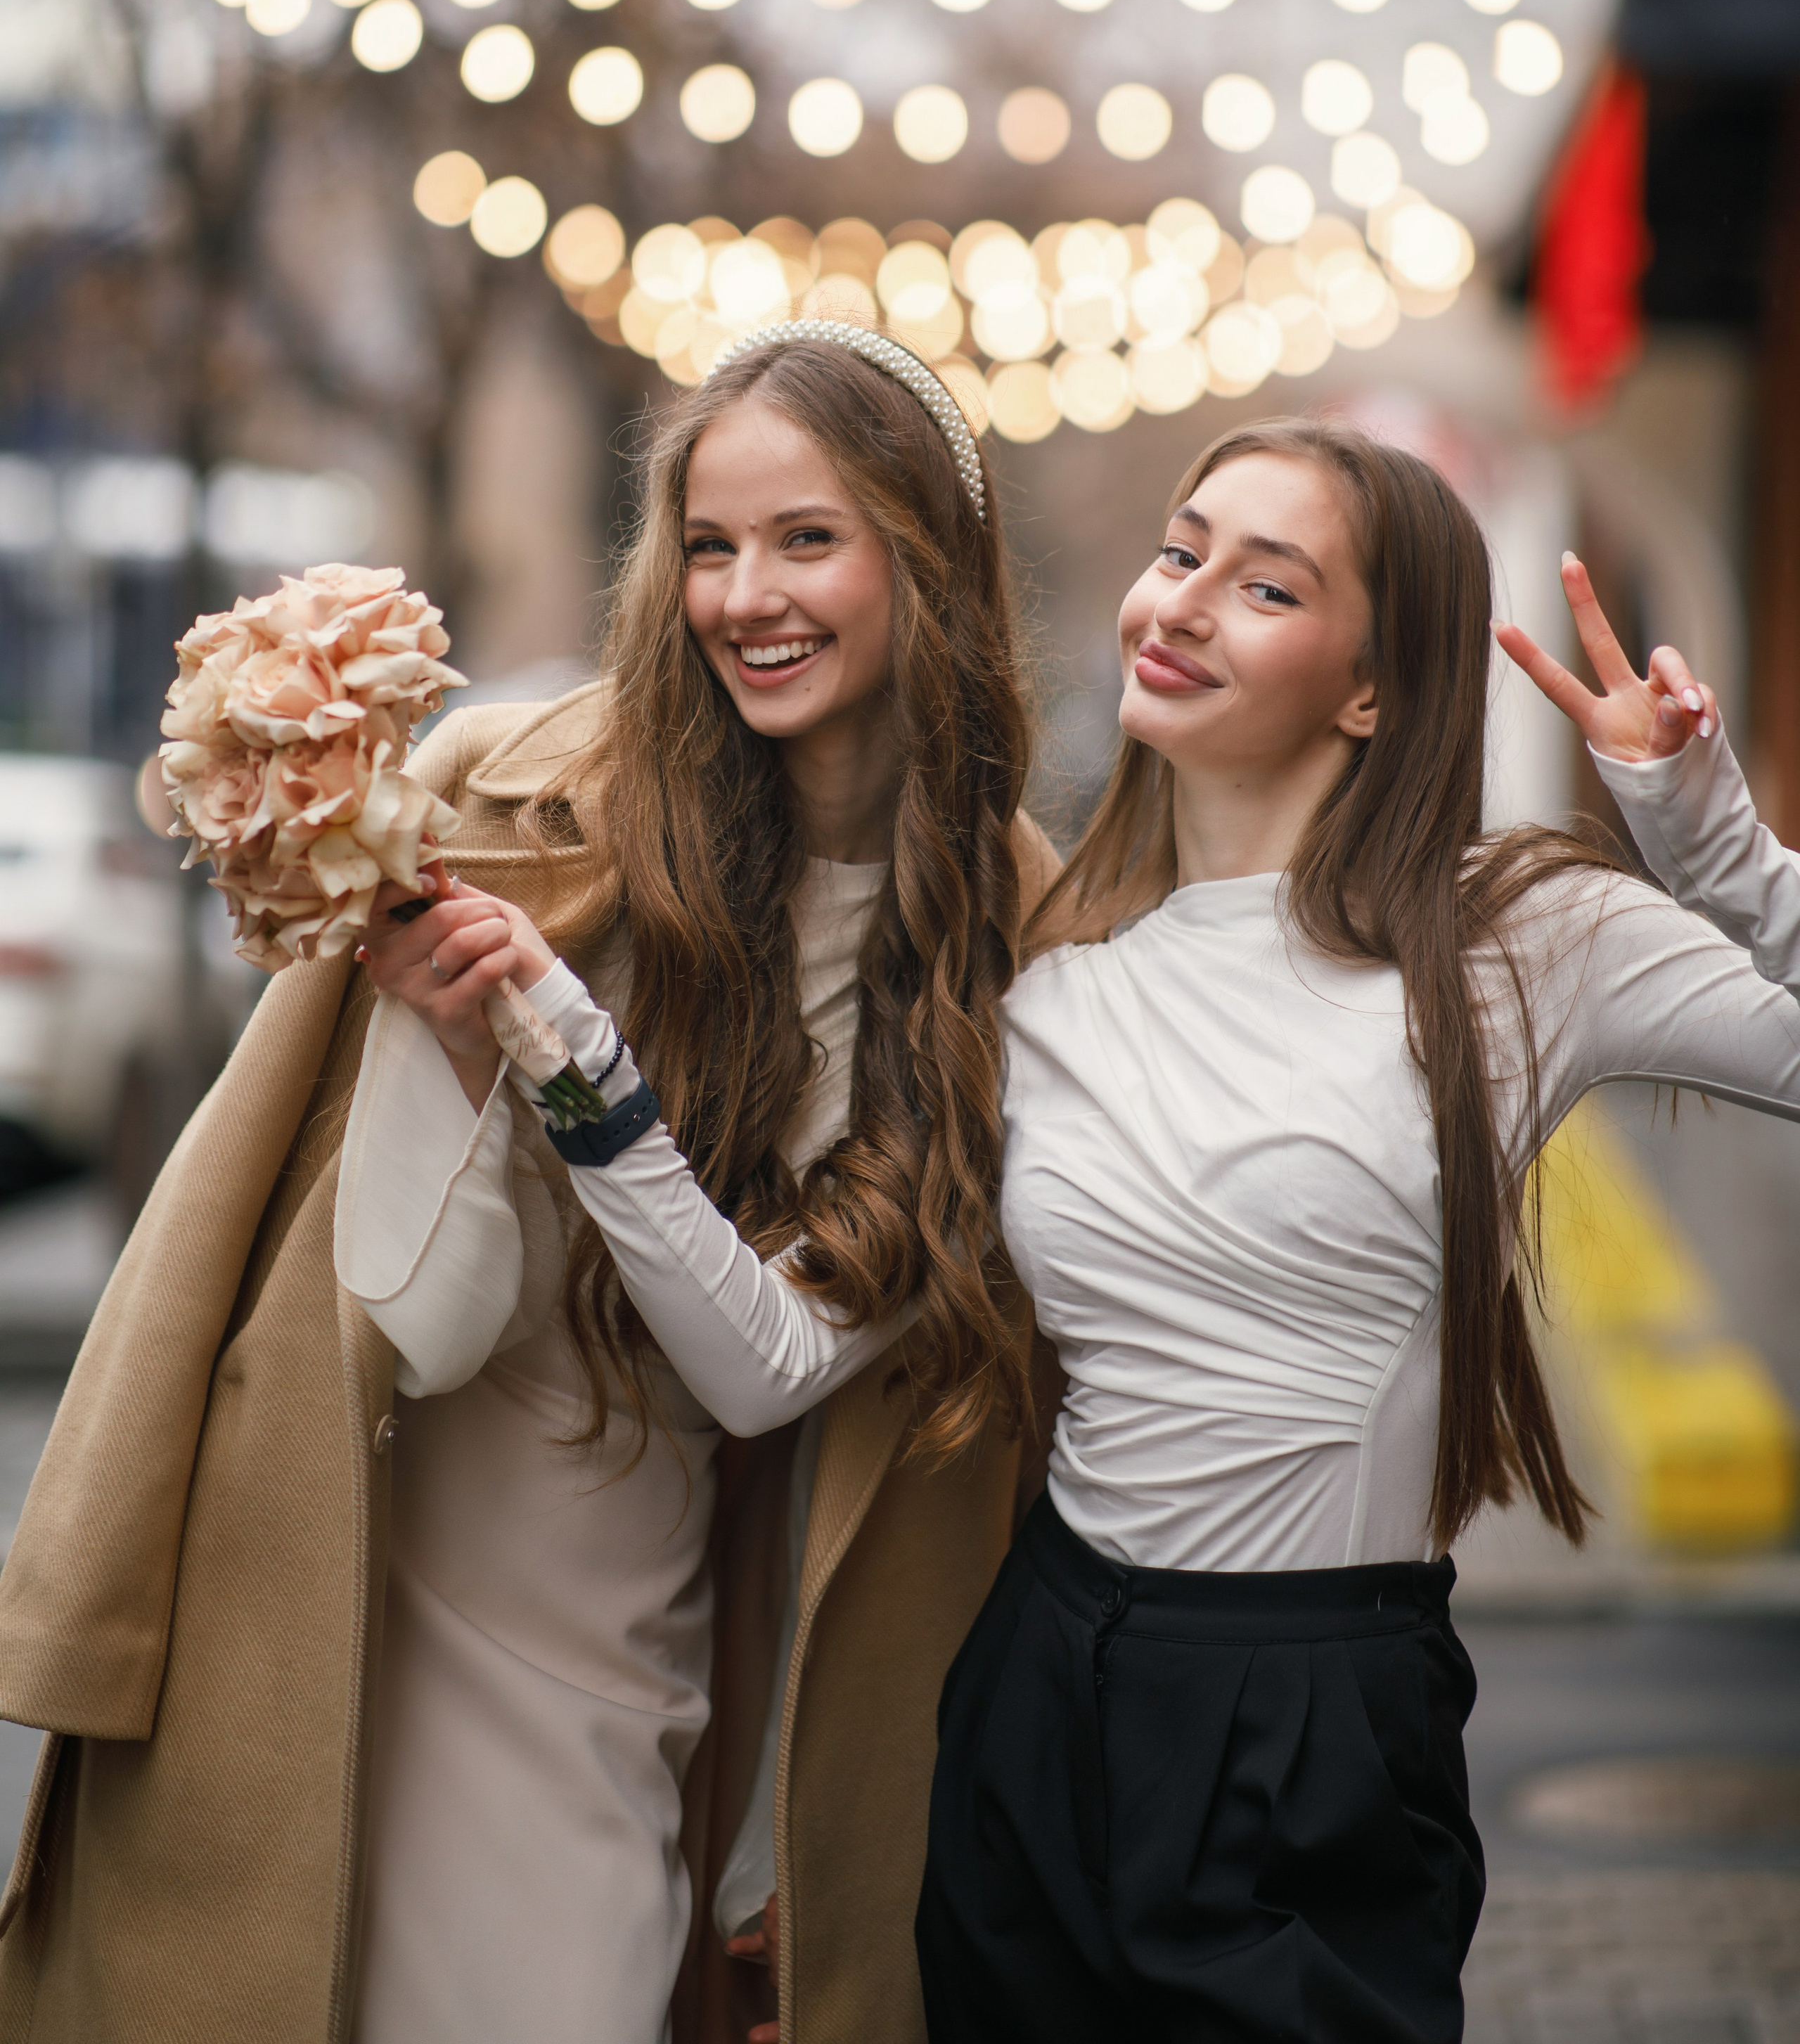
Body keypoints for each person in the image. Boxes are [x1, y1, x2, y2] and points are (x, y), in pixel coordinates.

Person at [503, 418, 1800, 2044]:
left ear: (1371, 688)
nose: (1176, 604)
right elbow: (766, 1363)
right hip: (1035, 1692)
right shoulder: (1041, 983)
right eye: (1178, 554)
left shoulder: (1522, 941)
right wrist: (570, 1065)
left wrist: (1702, 836)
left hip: (1317, 1716)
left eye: (1262, 586)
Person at [0, 322, 1053, 2044]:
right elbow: (419, 1318)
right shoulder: (527, 801)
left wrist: (568, 1057)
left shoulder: (1006, 944)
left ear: (922, 558)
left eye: (808, 539)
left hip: (622, 1638)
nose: (744, 597)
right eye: (709, 546)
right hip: (360, 1569)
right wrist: (455, 1049)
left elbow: (768, 1367)